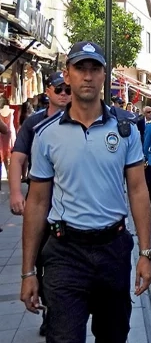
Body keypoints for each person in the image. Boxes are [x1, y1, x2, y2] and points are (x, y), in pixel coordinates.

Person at [20, 41, 151, 342]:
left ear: (104, 76)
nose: (88, 76)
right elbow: (38, 202)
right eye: (81, 68)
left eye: (95, 69)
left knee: (113, 335)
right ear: (67, 75)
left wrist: (145, 253)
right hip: (66, 251)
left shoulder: (126, 129)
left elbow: (137, 190)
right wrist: (28, 271)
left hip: (113, 249)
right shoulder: (46, 134)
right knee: (64, 336)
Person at [8, 71, 69, 336]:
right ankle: (49, 311)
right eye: (60, 89)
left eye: (68, 89)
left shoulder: (79, 119)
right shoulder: (34, 124)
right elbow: (17, 159)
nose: (65, 94)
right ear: (48, 92)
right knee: (43, 260)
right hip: (41, 199)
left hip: (69, 202)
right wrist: (15, 193)